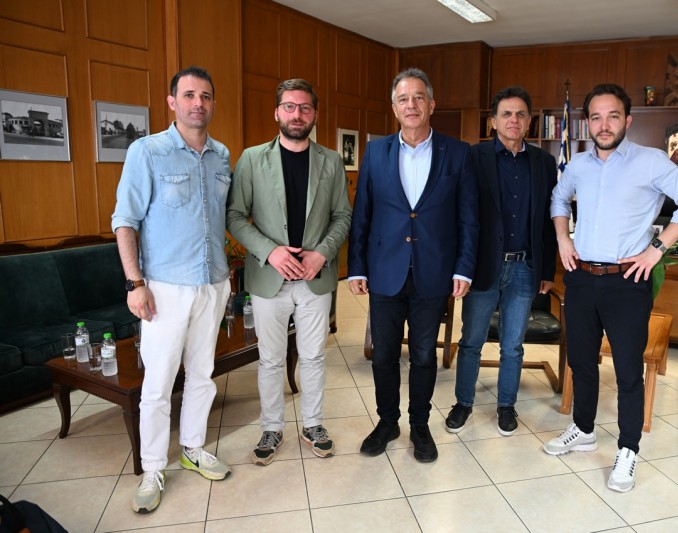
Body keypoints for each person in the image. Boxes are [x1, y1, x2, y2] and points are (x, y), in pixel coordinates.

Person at [547, 83, 678, 492]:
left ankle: (628, 449)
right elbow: (558, 200)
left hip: (627, 281)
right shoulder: (578, 165)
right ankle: (584, 430)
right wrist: (563, 238)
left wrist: (657, 249)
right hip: (581, 277)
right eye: (596, 117)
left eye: (613, 116)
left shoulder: (651, 161)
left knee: (627, 370)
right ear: (588, 123)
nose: (604, 125)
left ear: (627, 120)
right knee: (581, 361)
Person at [112, 66, 233, 514]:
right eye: (189, 95)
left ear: (212, 103)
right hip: (164, 287)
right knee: (158, 383)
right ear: (172, 102)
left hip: (213, 283)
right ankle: (152, 468)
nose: (198, 103)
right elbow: (125, 221)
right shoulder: (147, 151)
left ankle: (193, 449)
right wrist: (135, 283)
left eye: (205, 96)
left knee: (202, 374)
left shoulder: (221, 155)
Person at [348, 68, 479, 462]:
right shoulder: (376, 152)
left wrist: (463, 268)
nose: (411, 105)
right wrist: (357, 266)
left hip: (433, 273)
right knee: (384, 355)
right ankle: (387, 422)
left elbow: (468, 218)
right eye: (403, 99)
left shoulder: (457, 153)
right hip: (385, 272)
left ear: (431, 105)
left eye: (419, 97)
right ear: (394, 108)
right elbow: (362, 214)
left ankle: (419, 425)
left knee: (423, 355)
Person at [226, 78, 352, 465]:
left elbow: (343, 216)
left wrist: (321, 255)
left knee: (313, 358)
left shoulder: (331, 161)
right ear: (277, 112)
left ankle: (313, 425)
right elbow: (235, 216)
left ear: (314, 114)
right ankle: (272, 428)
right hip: (270, 279)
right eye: (290, 107)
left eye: (305, 107)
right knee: (270, 360)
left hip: (316, 279)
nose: (297, 114)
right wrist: (271, 251)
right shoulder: (252, 159)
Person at [445, 86, 557, 436]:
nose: (513, 120)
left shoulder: (544, 163)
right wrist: (460, 267)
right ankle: (463, 403)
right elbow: (460, 215)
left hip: (524, 267)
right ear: (493, 121)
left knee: (513, 345)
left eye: (520, 114)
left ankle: (506, 406)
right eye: (506, 114)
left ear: (529, 121)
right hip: (482, 267)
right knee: (471, 341)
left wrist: (547, 270)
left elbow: (549, 221)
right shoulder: (473, 157)